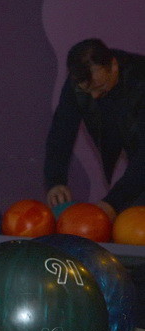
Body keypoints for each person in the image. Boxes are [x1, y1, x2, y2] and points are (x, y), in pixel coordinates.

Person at [44, 38, 145, 218]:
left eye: (100, 87)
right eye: (87, 91)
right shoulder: (79, 82)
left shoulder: (140, 78)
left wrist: (112, 202)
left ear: (113, 66)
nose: (95, 96)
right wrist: (55, 181)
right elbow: (61, 131)